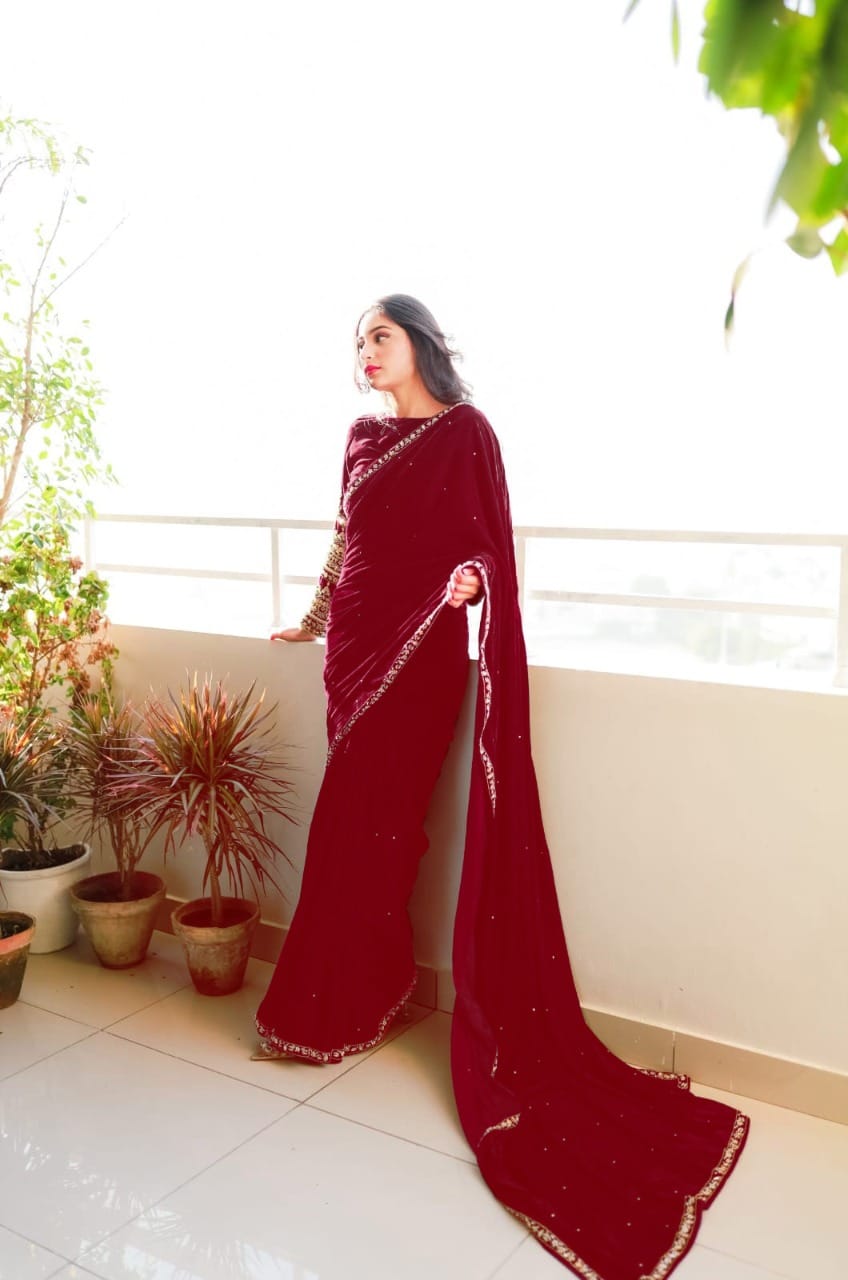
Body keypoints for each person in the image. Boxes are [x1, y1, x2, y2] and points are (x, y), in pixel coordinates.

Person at [255, 294, 748, 1280]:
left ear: (419, 344)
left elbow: (487, 541)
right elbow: (344, 541)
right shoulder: (361, 439)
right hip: (354, 652)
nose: (366, 352)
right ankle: (359, 995)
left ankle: (357, 995)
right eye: (358, 341)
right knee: (355, 825)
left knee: (386, 825)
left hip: (424, 650)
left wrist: (473, 578)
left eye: (381, 336)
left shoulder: (466, 433)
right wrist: (310, 621)